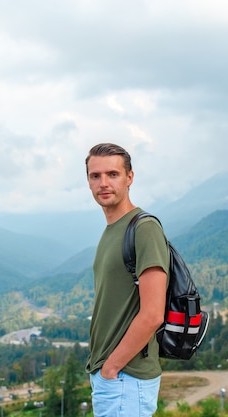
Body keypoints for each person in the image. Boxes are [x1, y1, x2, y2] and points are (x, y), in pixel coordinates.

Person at [85, 143, 169, 417]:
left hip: (125, 377)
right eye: (95, 176)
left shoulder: (143, 229)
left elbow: (153, 314)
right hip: (114, 376)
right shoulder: (113, 228)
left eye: (113, 174)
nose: (103, 183)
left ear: (130, 177)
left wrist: (111, 367)